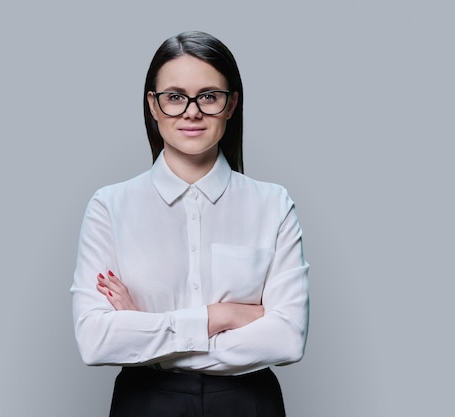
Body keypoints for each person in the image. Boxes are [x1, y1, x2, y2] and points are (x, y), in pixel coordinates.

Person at [71, 31, 309, 417]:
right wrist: (220, 317)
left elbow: (287, 339)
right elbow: (95, 341)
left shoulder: (272, 204)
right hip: (145, 404)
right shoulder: (109, 206)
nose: (192, 111)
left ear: (231, 104)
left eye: (209, 96)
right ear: (153, 104)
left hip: (247, 403)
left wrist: (147, 331)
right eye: (175, 97)